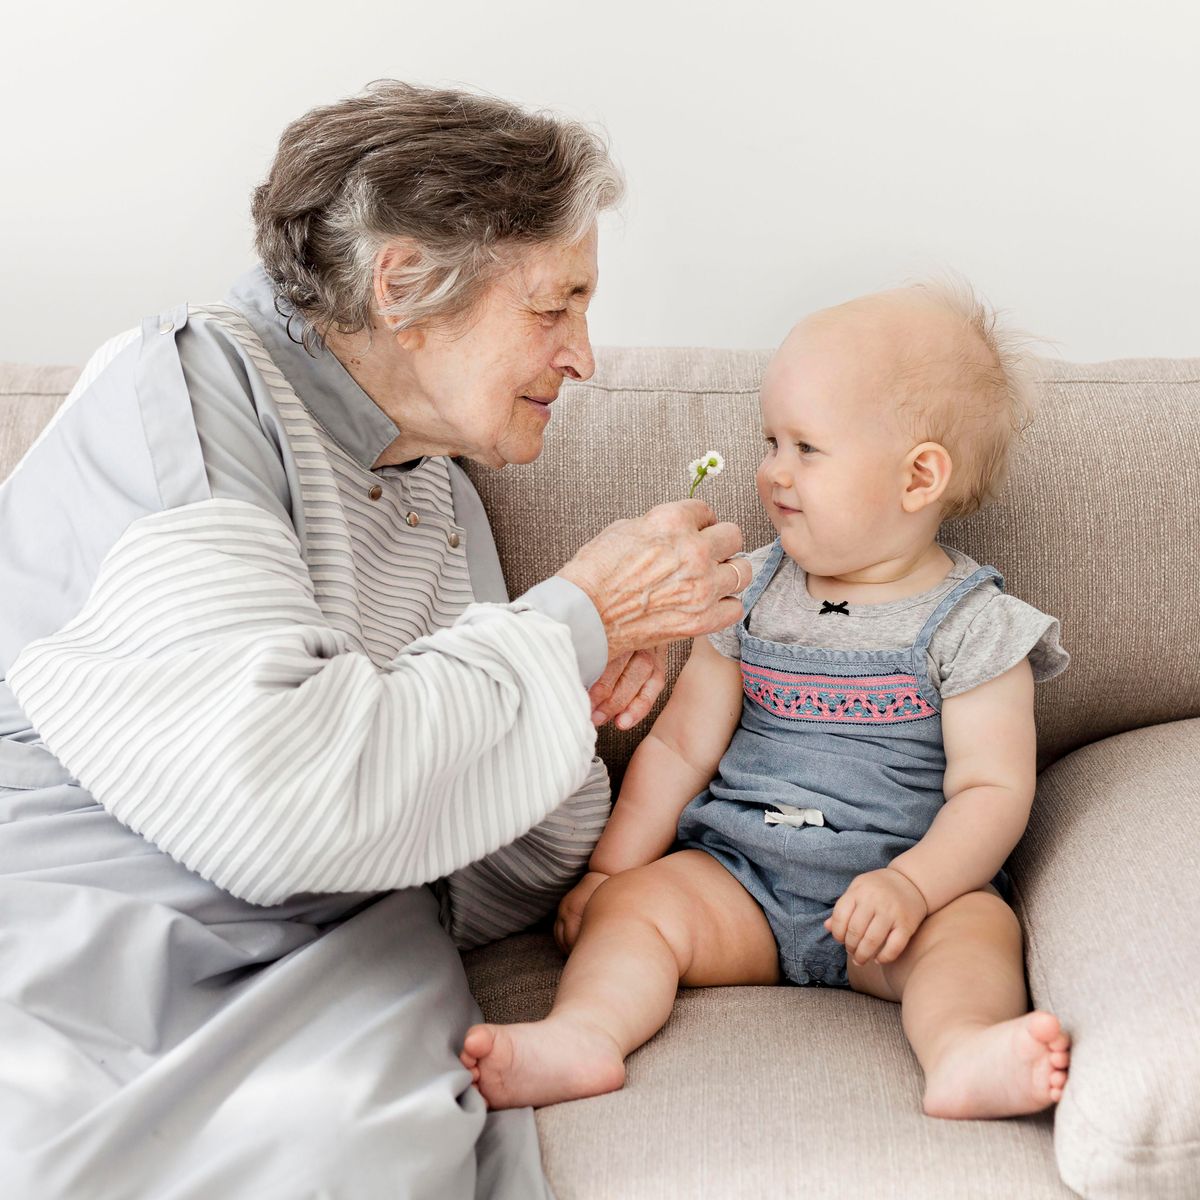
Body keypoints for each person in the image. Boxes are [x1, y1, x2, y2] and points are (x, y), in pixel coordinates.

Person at [0, 82, 751, 1199]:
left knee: (368, 1142)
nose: (584, 356)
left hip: (346, 956)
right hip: (105, 920)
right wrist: (569, 628)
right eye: (557, 305)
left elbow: (476, 881)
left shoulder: (435, 486)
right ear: (404, 287)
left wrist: (575, 695)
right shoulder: (192, 392)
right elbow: (272, 803)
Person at [461, 278, 1074, 1121]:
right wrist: (612, 870)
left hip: (892, 907)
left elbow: (993, 791)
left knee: (977, 933)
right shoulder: (746, 589)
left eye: (807, 448)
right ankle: (584, 1033)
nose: (772, 471)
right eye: (770, 441)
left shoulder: (976, 627)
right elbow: (680, 749)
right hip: (739, 882)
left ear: (918, 476)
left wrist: (915, 887)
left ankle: (963, 1045)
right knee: (639, 911)